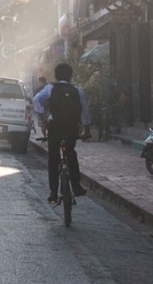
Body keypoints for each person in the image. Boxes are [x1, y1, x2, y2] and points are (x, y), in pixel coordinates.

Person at [33, 63, 92, 204]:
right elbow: (85, 111)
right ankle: (76, 186)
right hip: (71, 129)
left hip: (55, 128)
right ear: (70, 76)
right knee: (71, 153)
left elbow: (36, 100)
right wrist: (87, 130)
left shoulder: (50, 88)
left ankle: (53, 191)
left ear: (56, 76)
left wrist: (42, 119)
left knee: (53, 158)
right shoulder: (77, 90)